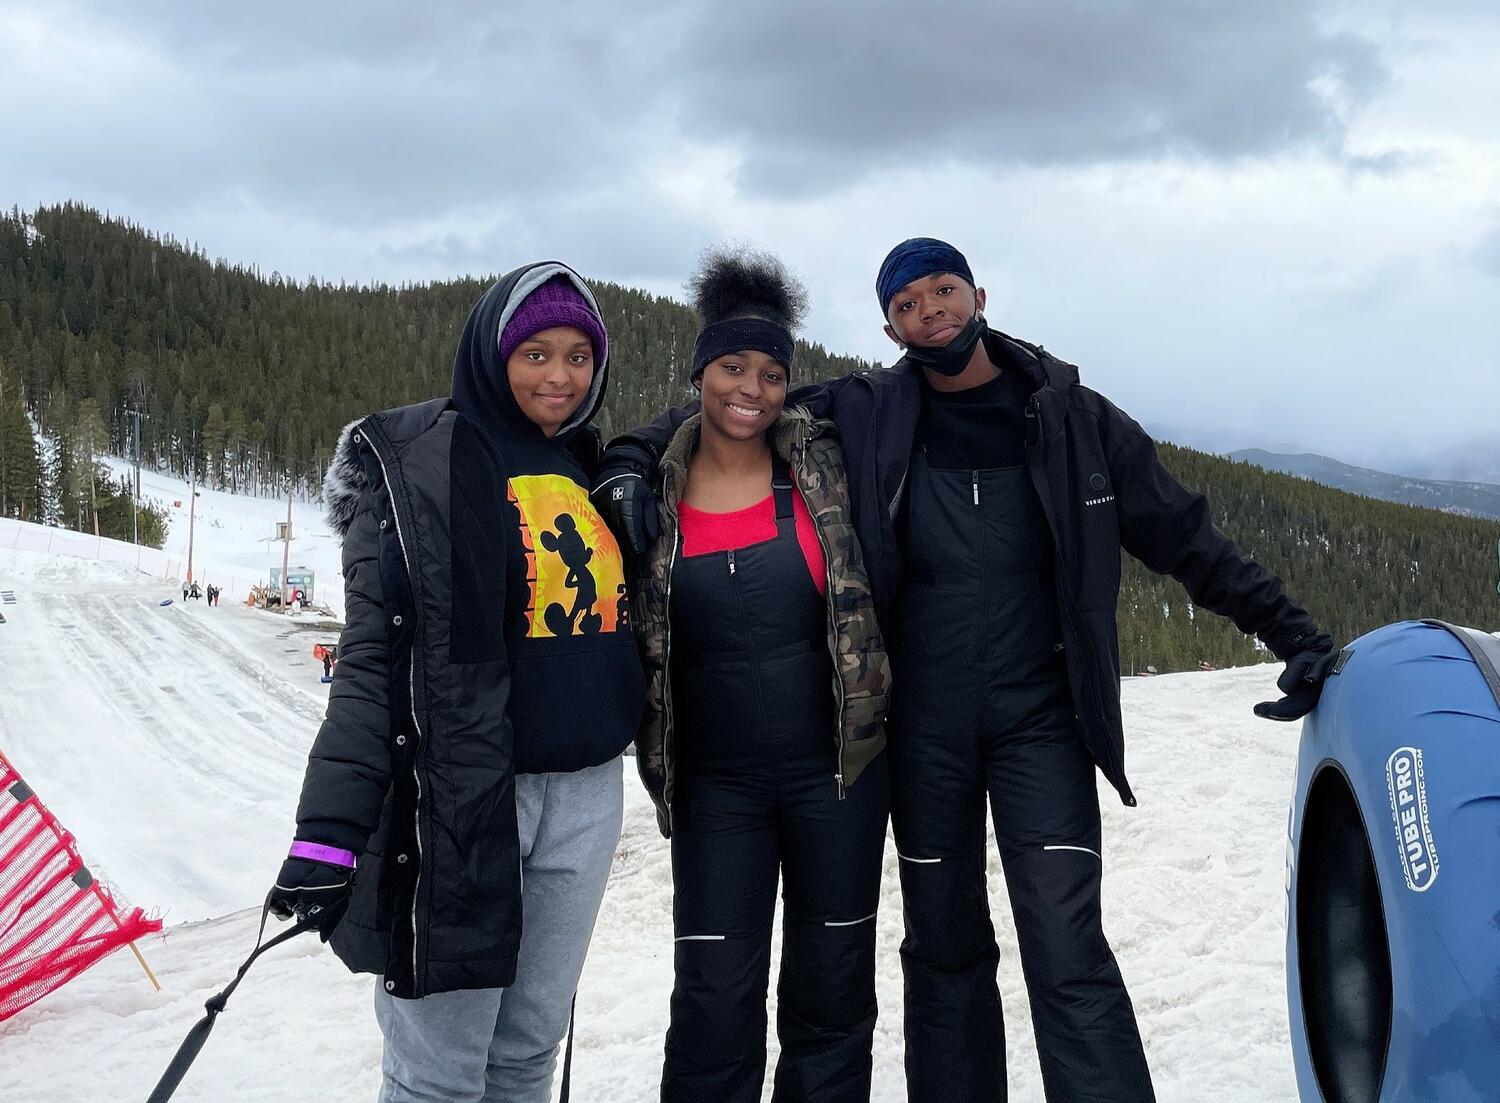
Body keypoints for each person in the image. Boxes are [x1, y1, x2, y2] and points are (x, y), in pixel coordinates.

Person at [594, 238, 1336, 1102]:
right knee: (944, 947)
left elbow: (1187, 535)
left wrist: (1293, 633)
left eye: (943, 289)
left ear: (979, 293)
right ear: (890, 326)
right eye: (908, 303)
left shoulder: (1073, 418)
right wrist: (627, 457)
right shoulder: (870, 408)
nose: (930, 310)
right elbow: (732, 406)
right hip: (924, 733)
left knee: (1065, 939)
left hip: (1040, 721)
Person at [270, 262, 646, 1103]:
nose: (560, 375)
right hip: (464, 799)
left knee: (527, 1053)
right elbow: (371, 660)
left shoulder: (589, 466)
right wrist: (328, 828)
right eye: (537, 352)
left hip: (587, 799)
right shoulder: (417, 465)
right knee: (438, 1073)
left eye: (580, 356)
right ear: (491, 352)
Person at [630, 249, 891, 1102]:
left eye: (773, 372)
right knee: (712, 1002)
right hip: (717, 790)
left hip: (837, 777)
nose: (752, 388)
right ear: (700, 370)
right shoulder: (651, 488)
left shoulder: (821, 461)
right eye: (733, 367)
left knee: (832, 992)